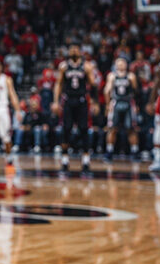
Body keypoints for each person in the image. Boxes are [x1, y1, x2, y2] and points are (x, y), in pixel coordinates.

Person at [53, 42, 96, 174]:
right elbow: (58, 84)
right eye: (72, 49)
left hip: (82, 100)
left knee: (84, 129)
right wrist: (55, 101)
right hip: (68, 100)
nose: (74, 51)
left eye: (76, 49)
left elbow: (93, 84)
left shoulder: (86, 66)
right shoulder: (64, 66)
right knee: (66, 129)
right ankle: (65, 161)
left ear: (80, 51)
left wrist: (94, 102)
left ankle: (85, 161)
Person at [104, 57, 139, 162]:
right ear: (115, 65)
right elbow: (106, 90)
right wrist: (107, 104)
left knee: (131, 129)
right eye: (118, 63)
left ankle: (135, 151)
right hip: (116, 103)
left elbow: (136, 91)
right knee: (112, 128)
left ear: (126, 65)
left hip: (128, 103)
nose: (121, 65)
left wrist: (136, 104)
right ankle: (109, 151)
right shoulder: (112, 76)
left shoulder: (131, 76)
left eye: (122, 63)